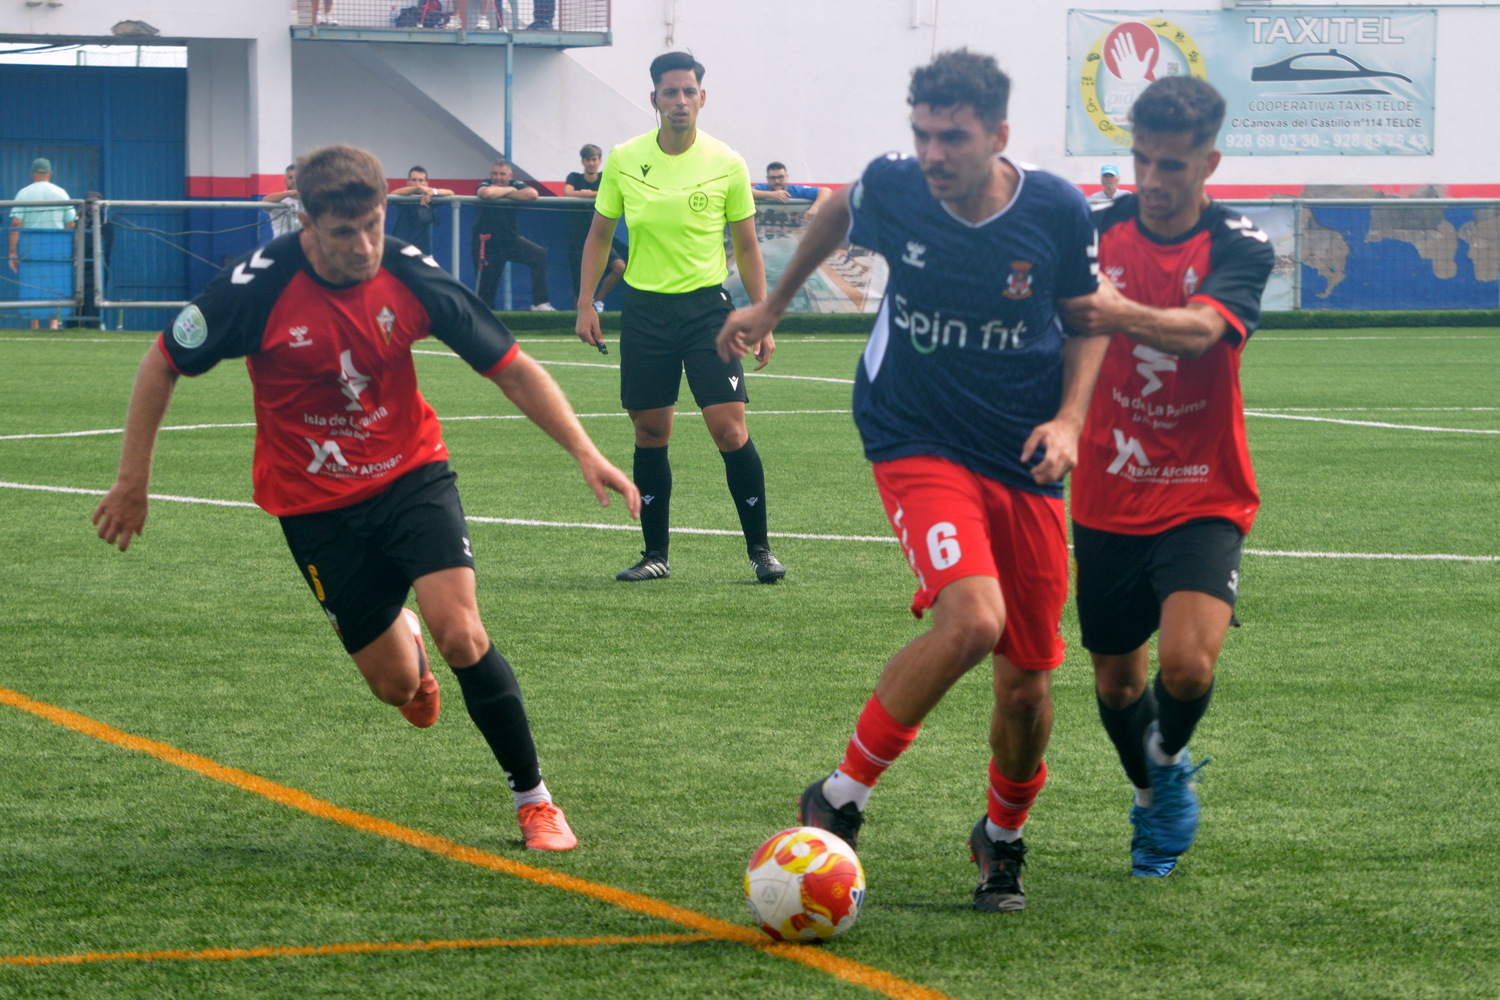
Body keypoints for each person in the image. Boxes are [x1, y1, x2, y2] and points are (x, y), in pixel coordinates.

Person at [91, 144, 640, 852]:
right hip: (313, 506)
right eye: (344, 233)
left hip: (411, 476)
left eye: (374, 226)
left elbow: (512, 370)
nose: (364, 246)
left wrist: (585, 451)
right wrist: (133, 480)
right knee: (394, 689)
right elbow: (162, 361)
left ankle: (535, 801)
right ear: (307, 224)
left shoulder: (412, 276)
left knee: (462, 633)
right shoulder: (253, 289)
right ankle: (404, 647)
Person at [718, 50, 1108, 912]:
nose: (933, 153)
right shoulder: (894, 186)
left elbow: (1086, 321)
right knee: (973, 618)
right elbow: (836, 208)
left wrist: (1072, 420)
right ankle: (841, 797)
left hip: (1026, 456)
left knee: (1028, 683)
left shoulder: (1053, 209)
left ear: (998, 136)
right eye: (923, 134)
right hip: (914, 435)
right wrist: (771, 305)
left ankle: (1000, 840)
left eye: (954, 138)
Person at [1059, 76, 1274, 878]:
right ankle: (1156, 792)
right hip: (1108, 491)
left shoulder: (1240, 243)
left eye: (1173, 166)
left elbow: (1201, 333)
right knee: (1118, 684)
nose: (1152, 180)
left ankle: (1166, 764)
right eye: (1142, 160)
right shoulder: (1091, 231)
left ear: (1209, 162)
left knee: (1187, 667)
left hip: (1203, 490)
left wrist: (1114, 312)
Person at [576, 51, 786, 585]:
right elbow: (601, 234)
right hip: (645, 312)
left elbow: (746, 245)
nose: (679, 101)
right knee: (651, 430)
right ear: (654, 100)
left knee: (729, 428)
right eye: (669, 93)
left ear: (702, 98)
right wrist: (585, 303)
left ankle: (761, 550)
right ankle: (655, 554)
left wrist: (762, 315)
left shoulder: (727, 162)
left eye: (688, 91)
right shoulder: (624, 159)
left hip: (707, 313)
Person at [472, 157, 553, 311]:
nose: (498, 177)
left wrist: (503, 192)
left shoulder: (517, 184)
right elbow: (487, 193)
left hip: (510, 242)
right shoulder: (485, 183)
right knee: (485, 297)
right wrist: (510, 191)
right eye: (495, 174)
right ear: (490, 174)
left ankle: (540, 303)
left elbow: (532, 194)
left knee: (539, 254)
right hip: (487, 246)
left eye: (502, 174)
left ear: (510, 176)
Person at [8, 157, 77, 330]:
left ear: (32, 174)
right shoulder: (61, 193)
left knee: (32, 282)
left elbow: (16, 223)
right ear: (50, 174)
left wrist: (12, 252)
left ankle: (34, 323)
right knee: (54, 282)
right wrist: (74, 250)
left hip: (30, 243)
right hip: (58, 244)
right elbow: (71, 224)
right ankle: (53, 322)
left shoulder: (23, 193)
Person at [563, 144, 625, 312]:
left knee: (619, 267)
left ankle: (597, 302)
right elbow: (567, 193)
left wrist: (586, 194)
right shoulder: (574, 177)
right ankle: (579, 322)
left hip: (601, 238)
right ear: (583, 161)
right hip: (577, 241)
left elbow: (614, 191)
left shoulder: (605, 177)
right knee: (580, 286)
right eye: (588, 159)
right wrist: (591, 194)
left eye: (594, 159)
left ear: (600, 160)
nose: (591, 163)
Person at [389, 165, 455, 256]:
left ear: (426, 183)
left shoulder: (429, 197)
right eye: (414, 180)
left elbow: (451, 193)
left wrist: (433, 192)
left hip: (423, 252)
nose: (417, 183)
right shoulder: (402, 196)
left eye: (420, 180)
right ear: (408, 182)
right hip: (401, 250)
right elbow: (393, 193)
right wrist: (417, 188)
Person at [752, 162, 832, 219]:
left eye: (780, 177)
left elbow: (826, 191)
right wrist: (771, 195)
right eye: (773, 178)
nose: (777, 181)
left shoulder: (796, 190)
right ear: (767, 179)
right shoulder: (762, 188)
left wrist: (815, 208)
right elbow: (746, 192)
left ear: (786, 177)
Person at [263, 164, 302, 239]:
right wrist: (289, 193)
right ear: (285, 181)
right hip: (281, 245)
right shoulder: (278, 200)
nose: (294, 180)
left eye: (297, 177)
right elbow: (264, 203)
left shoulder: (309, 200)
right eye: (290, 178)